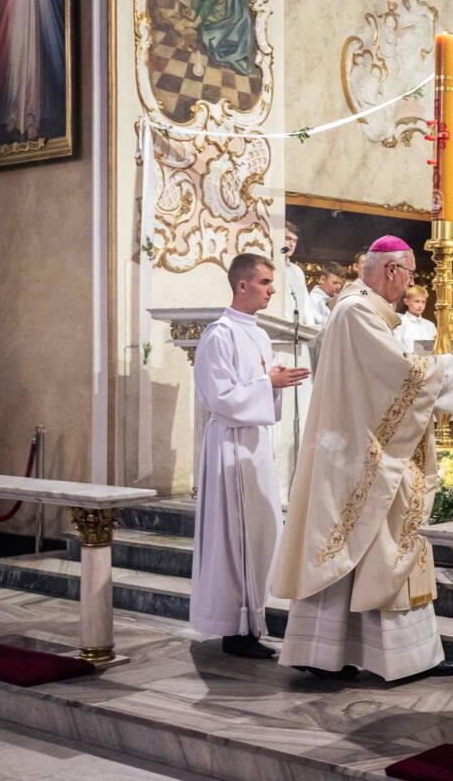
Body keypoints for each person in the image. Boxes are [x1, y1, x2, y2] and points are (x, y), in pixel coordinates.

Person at [271, 235, 453, 681]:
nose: (409, 286)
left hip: (356, 448)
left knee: (361, 545)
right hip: (361, 455)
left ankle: (336, 652)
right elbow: (398, 376)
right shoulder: (356, 311)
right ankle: (379, 656)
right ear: (390, 270)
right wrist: (452, 364)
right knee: (373, 543)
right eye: (408, 275)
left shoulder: (357, 309)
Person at [191, 254, 310, 658]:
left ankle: (253, 620)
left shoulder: (258, 335)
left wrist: (274, 385)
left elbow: (255, 389)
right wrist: (267, 382)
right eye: (264, 282)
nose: (272, 290)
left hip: (254, 445)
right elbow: (220, 398)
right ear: (242, 285)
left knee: (259, 535)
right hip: (229, 446)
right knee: (233, 537)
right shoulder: (218, 334)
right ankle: (234, 628)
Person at [394, 284, 437, 353]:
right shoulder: (400, 323)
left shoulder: (430, 325)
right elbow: (397, 348)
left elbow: (435, 349)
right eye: (417, 301)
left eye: (423, 302)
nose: (420, 305)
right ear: (406, 302)